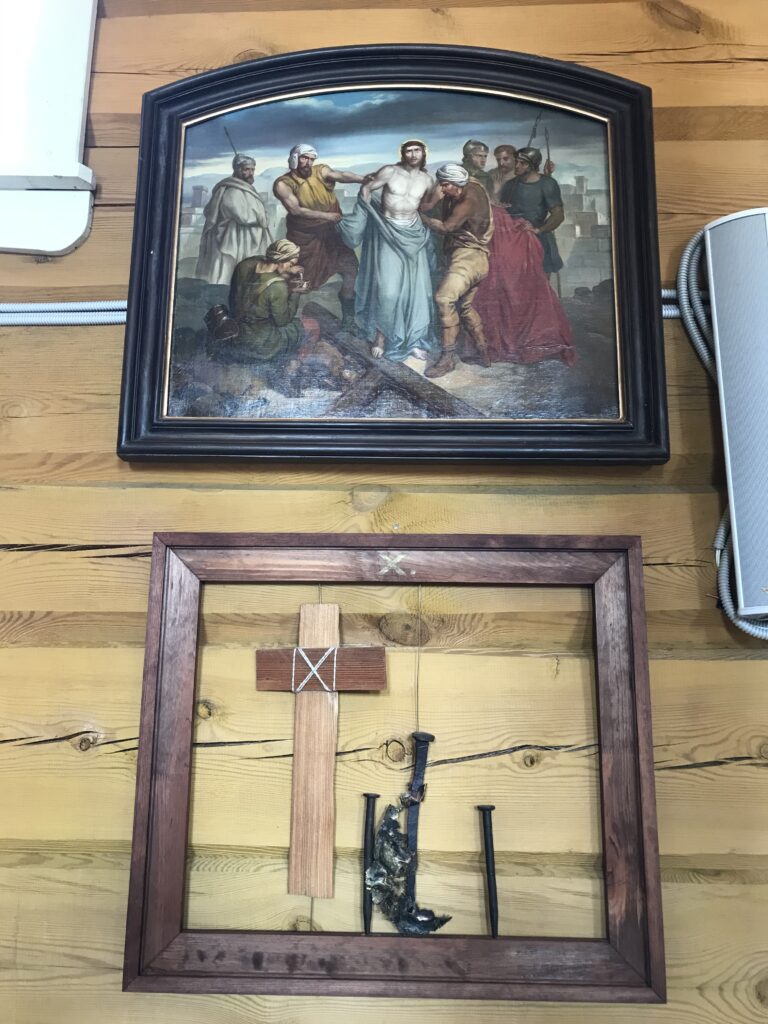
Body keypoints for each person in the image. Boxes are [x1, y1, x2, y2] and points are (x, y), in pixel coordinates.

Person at [337, 140, 441, 361]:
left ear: (423, 154)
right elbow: (367, 188)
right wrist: (366, 211)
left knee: (415, 292)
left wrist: (436, 200)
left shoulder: (428, 180)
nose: (413, 154)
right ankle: (381, 338)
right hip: (387, 231)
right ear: (403, 154)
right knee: (388, 291)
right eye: (409, 151)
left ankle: (413, 340)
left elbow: (423, 206)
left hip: (413, 234)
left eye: (417, 151)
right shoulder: (390, 171)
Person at [273, 144, 366, 328]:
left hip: (332, 235)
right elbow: (296, 210)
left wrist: (363, 179)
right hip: (305, 238)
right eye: (304, 158)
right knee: (299, 278)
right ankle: (288, 319)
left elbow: (341, 176)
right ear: (294, 159)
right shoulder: (283, 184)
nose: (308, 163)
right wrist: (326, 216)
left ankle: (348, 320)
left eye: (311, 159)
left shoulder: (320, 171)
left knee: (350, 269)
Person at [420, 163, 494, 378]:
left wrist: (420, 218)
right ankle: (483, 351)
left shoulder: (468, 199)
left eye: (445, 185)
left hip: (468, 259)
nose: (442, 189)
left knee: (444, 299)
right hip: (476, 258)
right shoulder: (468, 186)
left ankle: (447, 359)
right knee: (465, 306)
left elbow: (446, 227)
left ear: (455, 183)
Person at [226, 239, 319, 386]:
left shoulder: (245, 265)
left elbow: (237, 299)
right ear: (281, 259)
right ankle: (293, 366)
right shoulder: (278, 286)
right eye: (291, 264)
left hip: (238, 333)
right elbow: (283, 321)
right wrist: (296, 293)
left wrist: (287, 271)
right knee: (311, 325)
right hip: (261, 342)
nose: (291, 268)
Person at [195, 154, 271, 285]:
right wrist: (261, 217)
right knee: (229, 273)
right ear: (237, 169)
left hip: (247, 239)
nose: (250, 173)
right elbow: (243, 217)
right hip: (233, 239)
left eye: (252, 169)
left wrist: (262, 216)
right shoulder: (231, 191)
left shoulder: (247, 189)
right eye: (246, 169)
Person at [499, 147, 564, 276]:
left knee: (540, 280)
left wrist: (539, 230)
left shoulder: (547, 184)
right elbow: (503, 212)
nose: (517, 165)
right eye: (516, 161)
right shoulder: (509, 185)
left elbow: (558, 215)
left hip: (539, 239)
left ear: (531, 165)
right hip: (513, 241)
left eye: (522, 163)